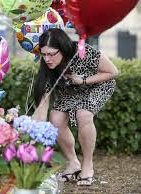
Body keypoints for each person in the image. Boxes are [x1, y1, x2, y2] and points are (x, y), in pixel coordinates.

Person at [32, 28, 118, 186]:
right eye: (44, 54)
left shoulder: (83, 51)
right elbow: (42, 106)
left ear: (63, 48)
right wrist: (32, 132)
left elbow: (113, 72)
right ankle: (73, 163)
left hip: (96, 85)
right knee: (55, 118)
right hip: (72, 89)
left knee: (83, 114)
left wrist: (83, 80)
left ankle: (87, 165)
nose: (47, 59)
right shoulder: (48, 67)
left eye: (51, 54)